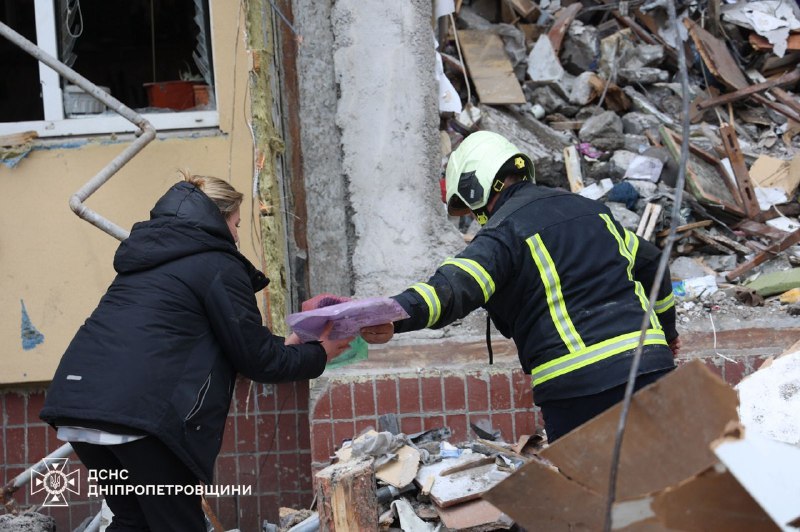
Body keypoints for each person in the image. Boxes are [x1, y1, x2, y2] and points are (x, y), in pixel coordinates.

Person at [40, 172, 353, 531]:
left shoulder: (147, 260)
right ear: (219, 219)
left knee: (133, 520)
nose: (237, 236)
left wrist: (289, 343)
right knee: (177, 525)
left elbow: (201, 338)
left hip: (78, 404)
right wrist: (321, 354)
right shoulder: (217, 263)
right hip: (140, 417)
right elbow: (259, 361)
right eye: (236, 224)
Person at [381, 131, 680, 443]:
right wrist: (667, 334)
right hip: (649, 365)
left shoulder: (505, 231)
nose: (475, 218)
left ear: (476, 187)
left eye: (470, 208)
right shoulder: (594, 212)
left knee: (592, 487)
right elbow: (653, 263)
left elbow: (454, 287)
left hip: (578, 387)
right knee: (668, 479)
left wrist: (393, 314)